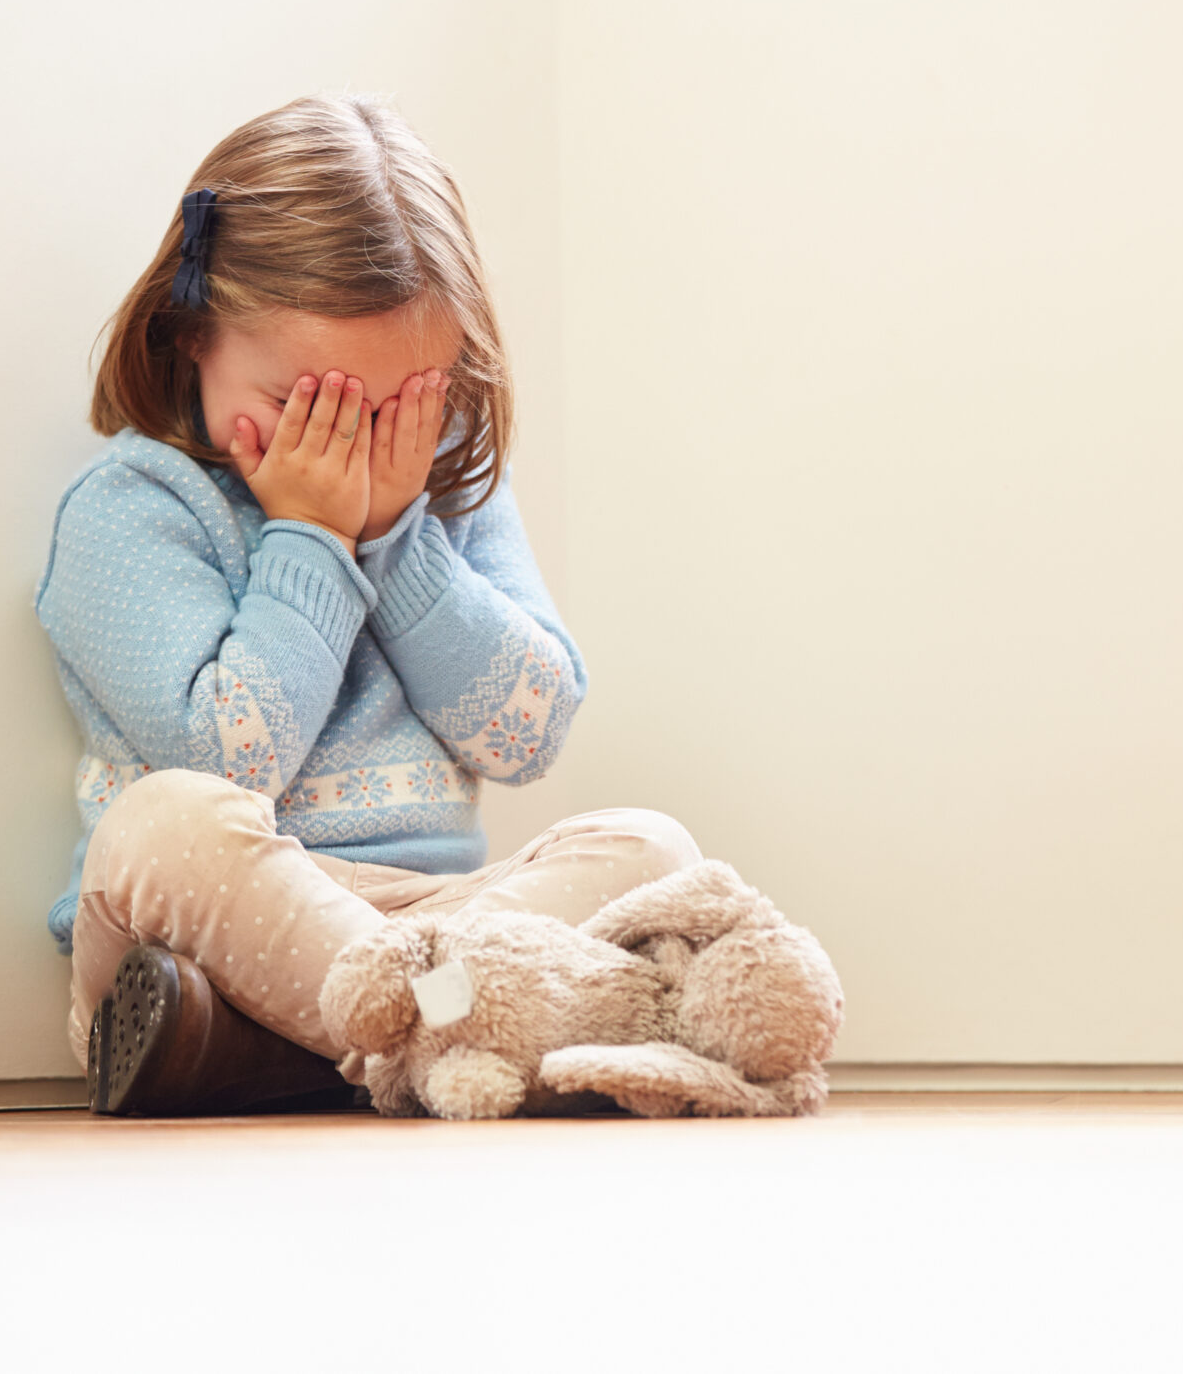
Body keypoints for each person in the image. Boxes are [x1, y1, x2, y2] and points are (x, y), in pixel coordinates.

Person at [35, 93, 698, 1114]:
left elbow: (526, 733)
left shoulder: (438, 490)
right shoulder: (132, 510)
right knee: (160, 824)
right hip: (219, 929)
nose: (350, 448)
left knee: (650, 847)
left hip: (442, 919)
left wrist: (398, 540)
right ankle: (456, 1027)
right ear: (191, 333)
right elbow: (231, 762)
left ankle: (330, 1046)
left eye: (396, 409)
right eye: (308, 407)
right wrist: (313, 537)